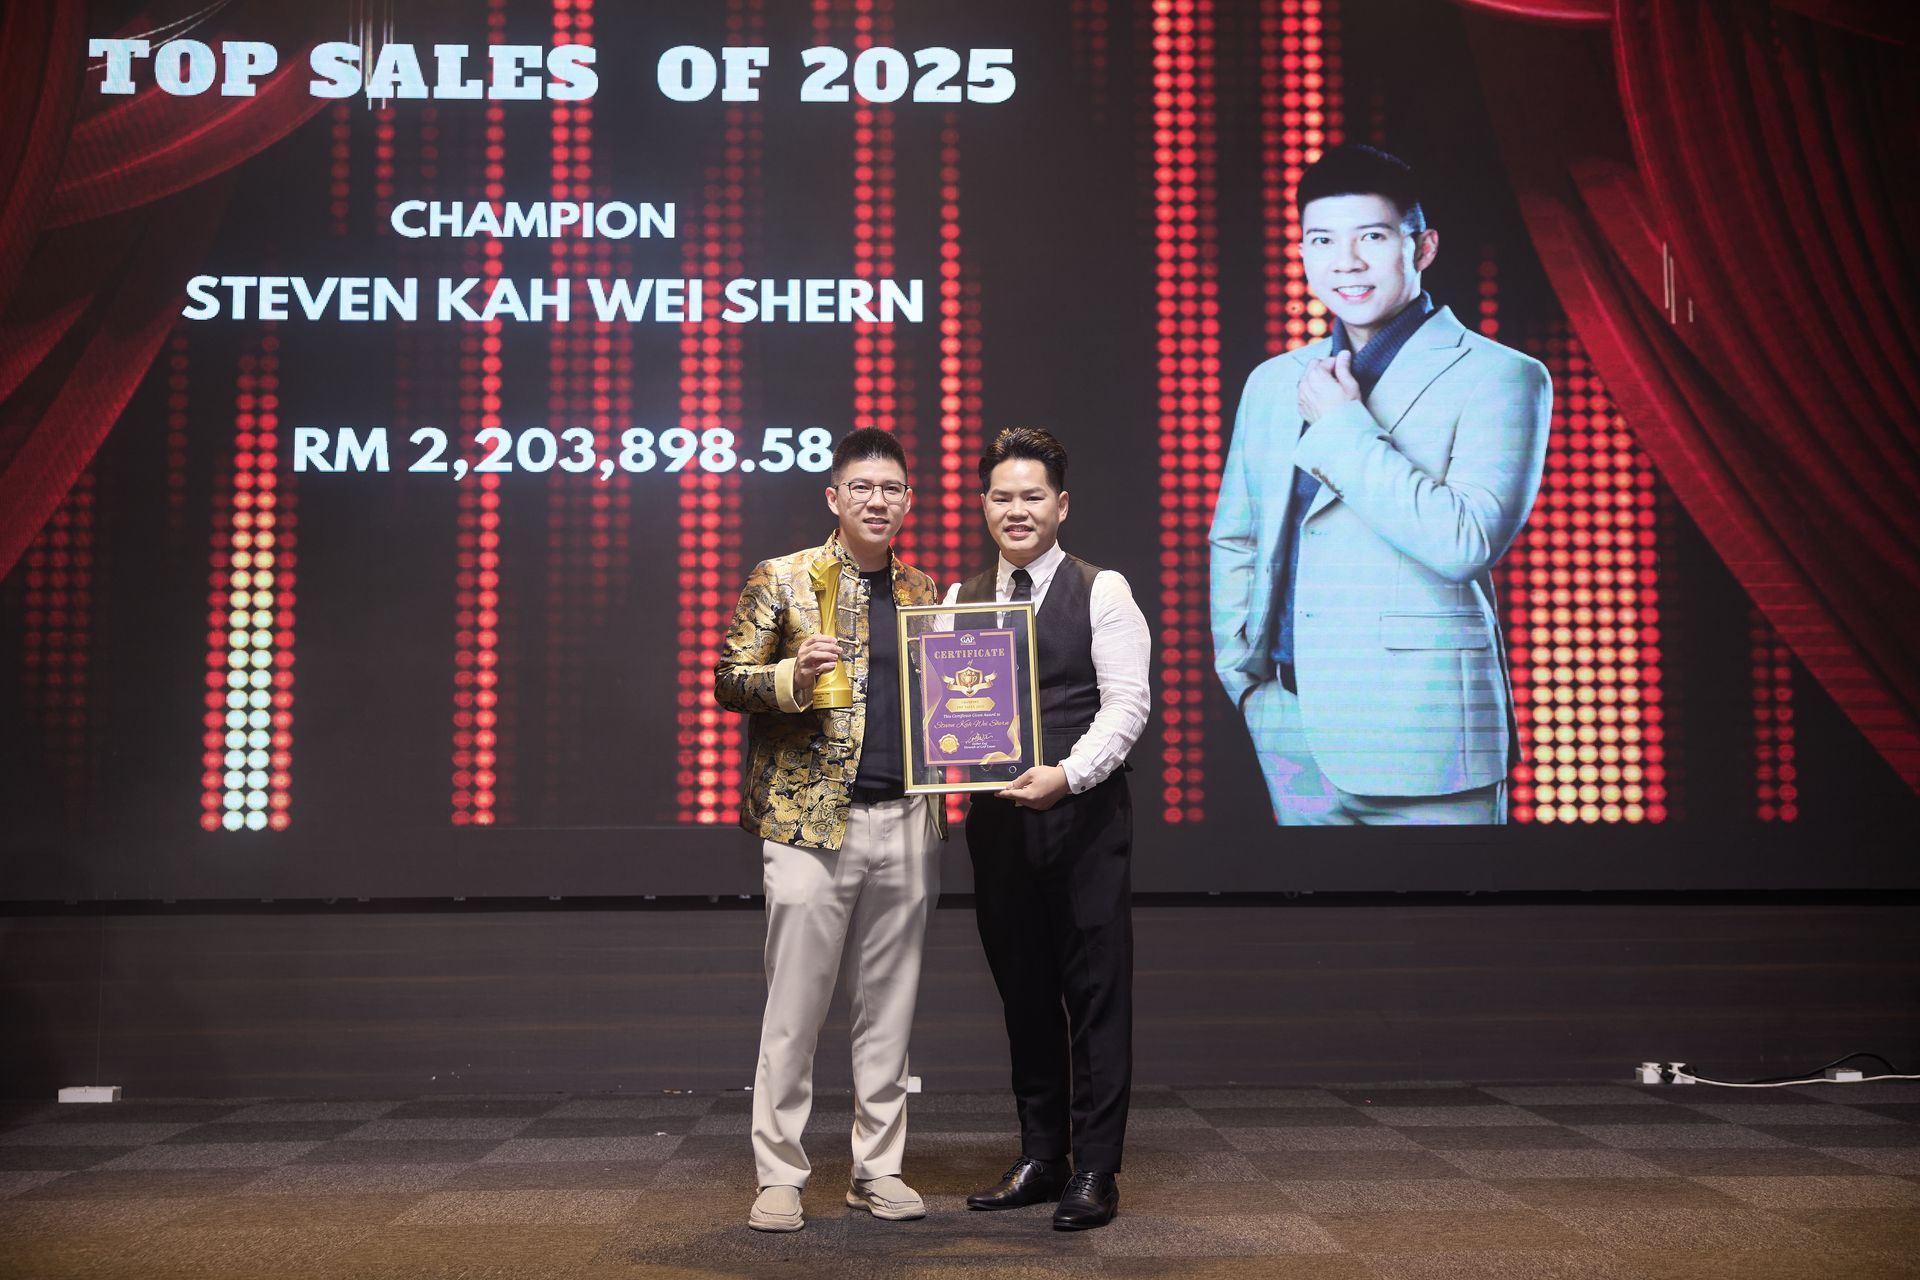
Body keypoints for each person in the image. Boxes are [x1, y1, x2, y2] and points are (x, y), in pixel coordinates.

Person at [1210, 144, 1551, 825]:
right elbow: (1238, 539)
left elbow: (1464, 542)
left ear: (1422, 247)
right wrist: (1247, 684)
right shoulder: (1274, 381)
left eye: (1370, 237)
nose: (1346, 262)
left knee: (1448, 903)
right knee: (1313, 904)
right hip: (1293, 732)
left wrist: (1343, 425)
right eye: (1322, 240)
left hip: (1428, 737)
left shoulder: (1502, 375)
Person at [713, 427, 944, 1233]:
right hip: (808, 825)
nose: (878, 501)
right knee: (795, 1010)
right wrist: (792, 676)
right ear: (834, 497)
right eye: (863, 487)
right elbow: (729, 679)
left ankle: (877, 1170)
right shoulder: (781, 577)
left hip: (907, 819)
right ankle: (779, 1175)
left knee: (890, 1011)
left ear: (908, 500)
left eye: (892, 489)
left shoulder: (924, 589)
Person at [949, 427, 1151, 1230]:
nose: (1017, 509)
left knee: (1095, 996)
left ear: (1060, 505)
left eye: (1032, 496)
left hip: (1084, 819)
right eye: (1002, 496)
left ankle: (1095, 1168)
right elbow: (943, 716)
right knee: (1024, 994)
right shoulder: (959, 600)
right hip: (998, 827)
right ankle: (1042, 1155)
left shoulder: (1104, 590)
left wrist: (1066, 775)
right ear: (983, 505)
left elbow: (1126, 707)